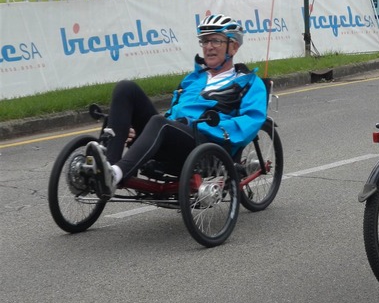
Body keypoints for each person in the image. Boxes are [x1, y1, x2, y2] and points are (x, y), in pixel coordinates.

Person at [82, 13, 268, 200]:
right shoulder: (193, 79)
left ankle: (116, 174)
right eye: (204, 41)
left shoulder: (249, 83)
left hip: (205, 143)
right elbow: (174, 111)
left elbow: (250, 121)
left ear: (234, 46)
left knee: (159, 123)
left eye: (216, 41)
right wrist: (136, 130)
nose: (209, 47)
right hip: (173, 136)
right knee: (126, 88)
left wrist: (202, 125)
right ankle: (107, 168)